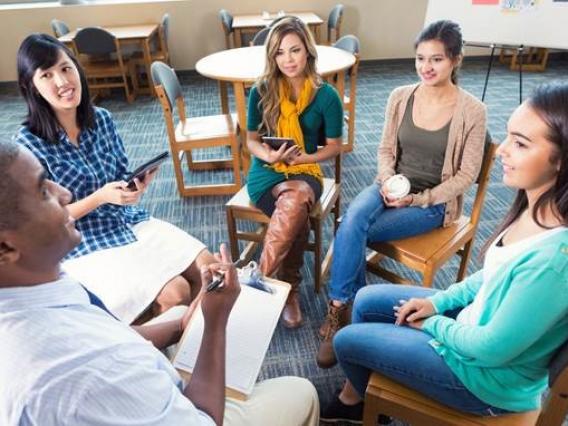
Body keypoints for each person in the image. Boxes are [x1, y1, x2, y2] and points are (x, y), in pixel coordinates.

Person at [0, 140, 320, 426]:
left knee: (179, 304)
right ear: (5, 247)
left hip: (131, 379)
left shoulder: (36, 283)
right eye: (43, 191)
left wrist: (183, 324)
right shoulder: (76, 370)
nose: (65, 193)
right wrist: (214, 323)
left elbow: (116, 333)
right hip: (188, 410)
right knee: (301, 392)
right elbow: (204, 419)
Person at [321, 81, 568, 424]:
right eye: (509, 136)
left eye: (521, 143)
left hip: (483, 381)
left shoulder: (556, 261)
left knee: (346, 341)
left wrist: (432, 324)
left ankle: (360, 399)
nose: (500, 151)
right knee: (364, 300)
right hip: (475, 329)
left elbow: (491, 348)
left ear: (562, 161)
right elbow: (492, 274)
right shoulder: (537, 207)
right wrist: (439, 302)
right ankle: (358, 399)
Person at [316, 20, 487, 367]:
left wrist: (418, 199)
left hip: (433, 203)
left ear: (455, 59)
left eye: (436, 59)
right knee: (352, 220)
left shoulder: (473, 111)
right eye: (421, 58)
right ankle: (348, 310)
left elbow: (466, 176)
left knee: (350, 228)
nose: (426, 67)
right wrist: (387, 181)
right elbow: (384, 150)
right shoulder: (400, 97)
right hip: (390, 186)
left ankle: (343, 312)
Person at [14, 33, 215, 324]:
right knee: (176, 293)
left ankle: (193, 349)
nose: (62, 82)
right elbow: (42, 221)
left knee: (211, 269)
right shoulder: (27, 144)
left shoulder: (102, 119)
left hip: (125, 219)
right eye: (47, 75)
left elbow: (119, 174)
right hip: (82, 240)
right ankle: (166, 357)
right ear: (30, 85)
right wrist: (99, 198)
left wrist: (133, 187)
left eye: (66, 68)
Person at [246, 17, 343, 328]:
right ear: (272, 57)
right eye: (280, 53)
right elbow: (251, 140)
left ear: (308, 53)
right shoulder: (261, 90)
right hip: (266, 173)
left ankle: (258, 280)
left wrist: (305, 157)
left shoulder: (326, 95)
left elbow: (334, 146)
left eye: (295, 51)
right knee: (297, 213)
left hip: (305, 171)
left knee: (298, 196)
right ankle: (288, 289)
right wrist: (269, 154)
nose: (287, 60)